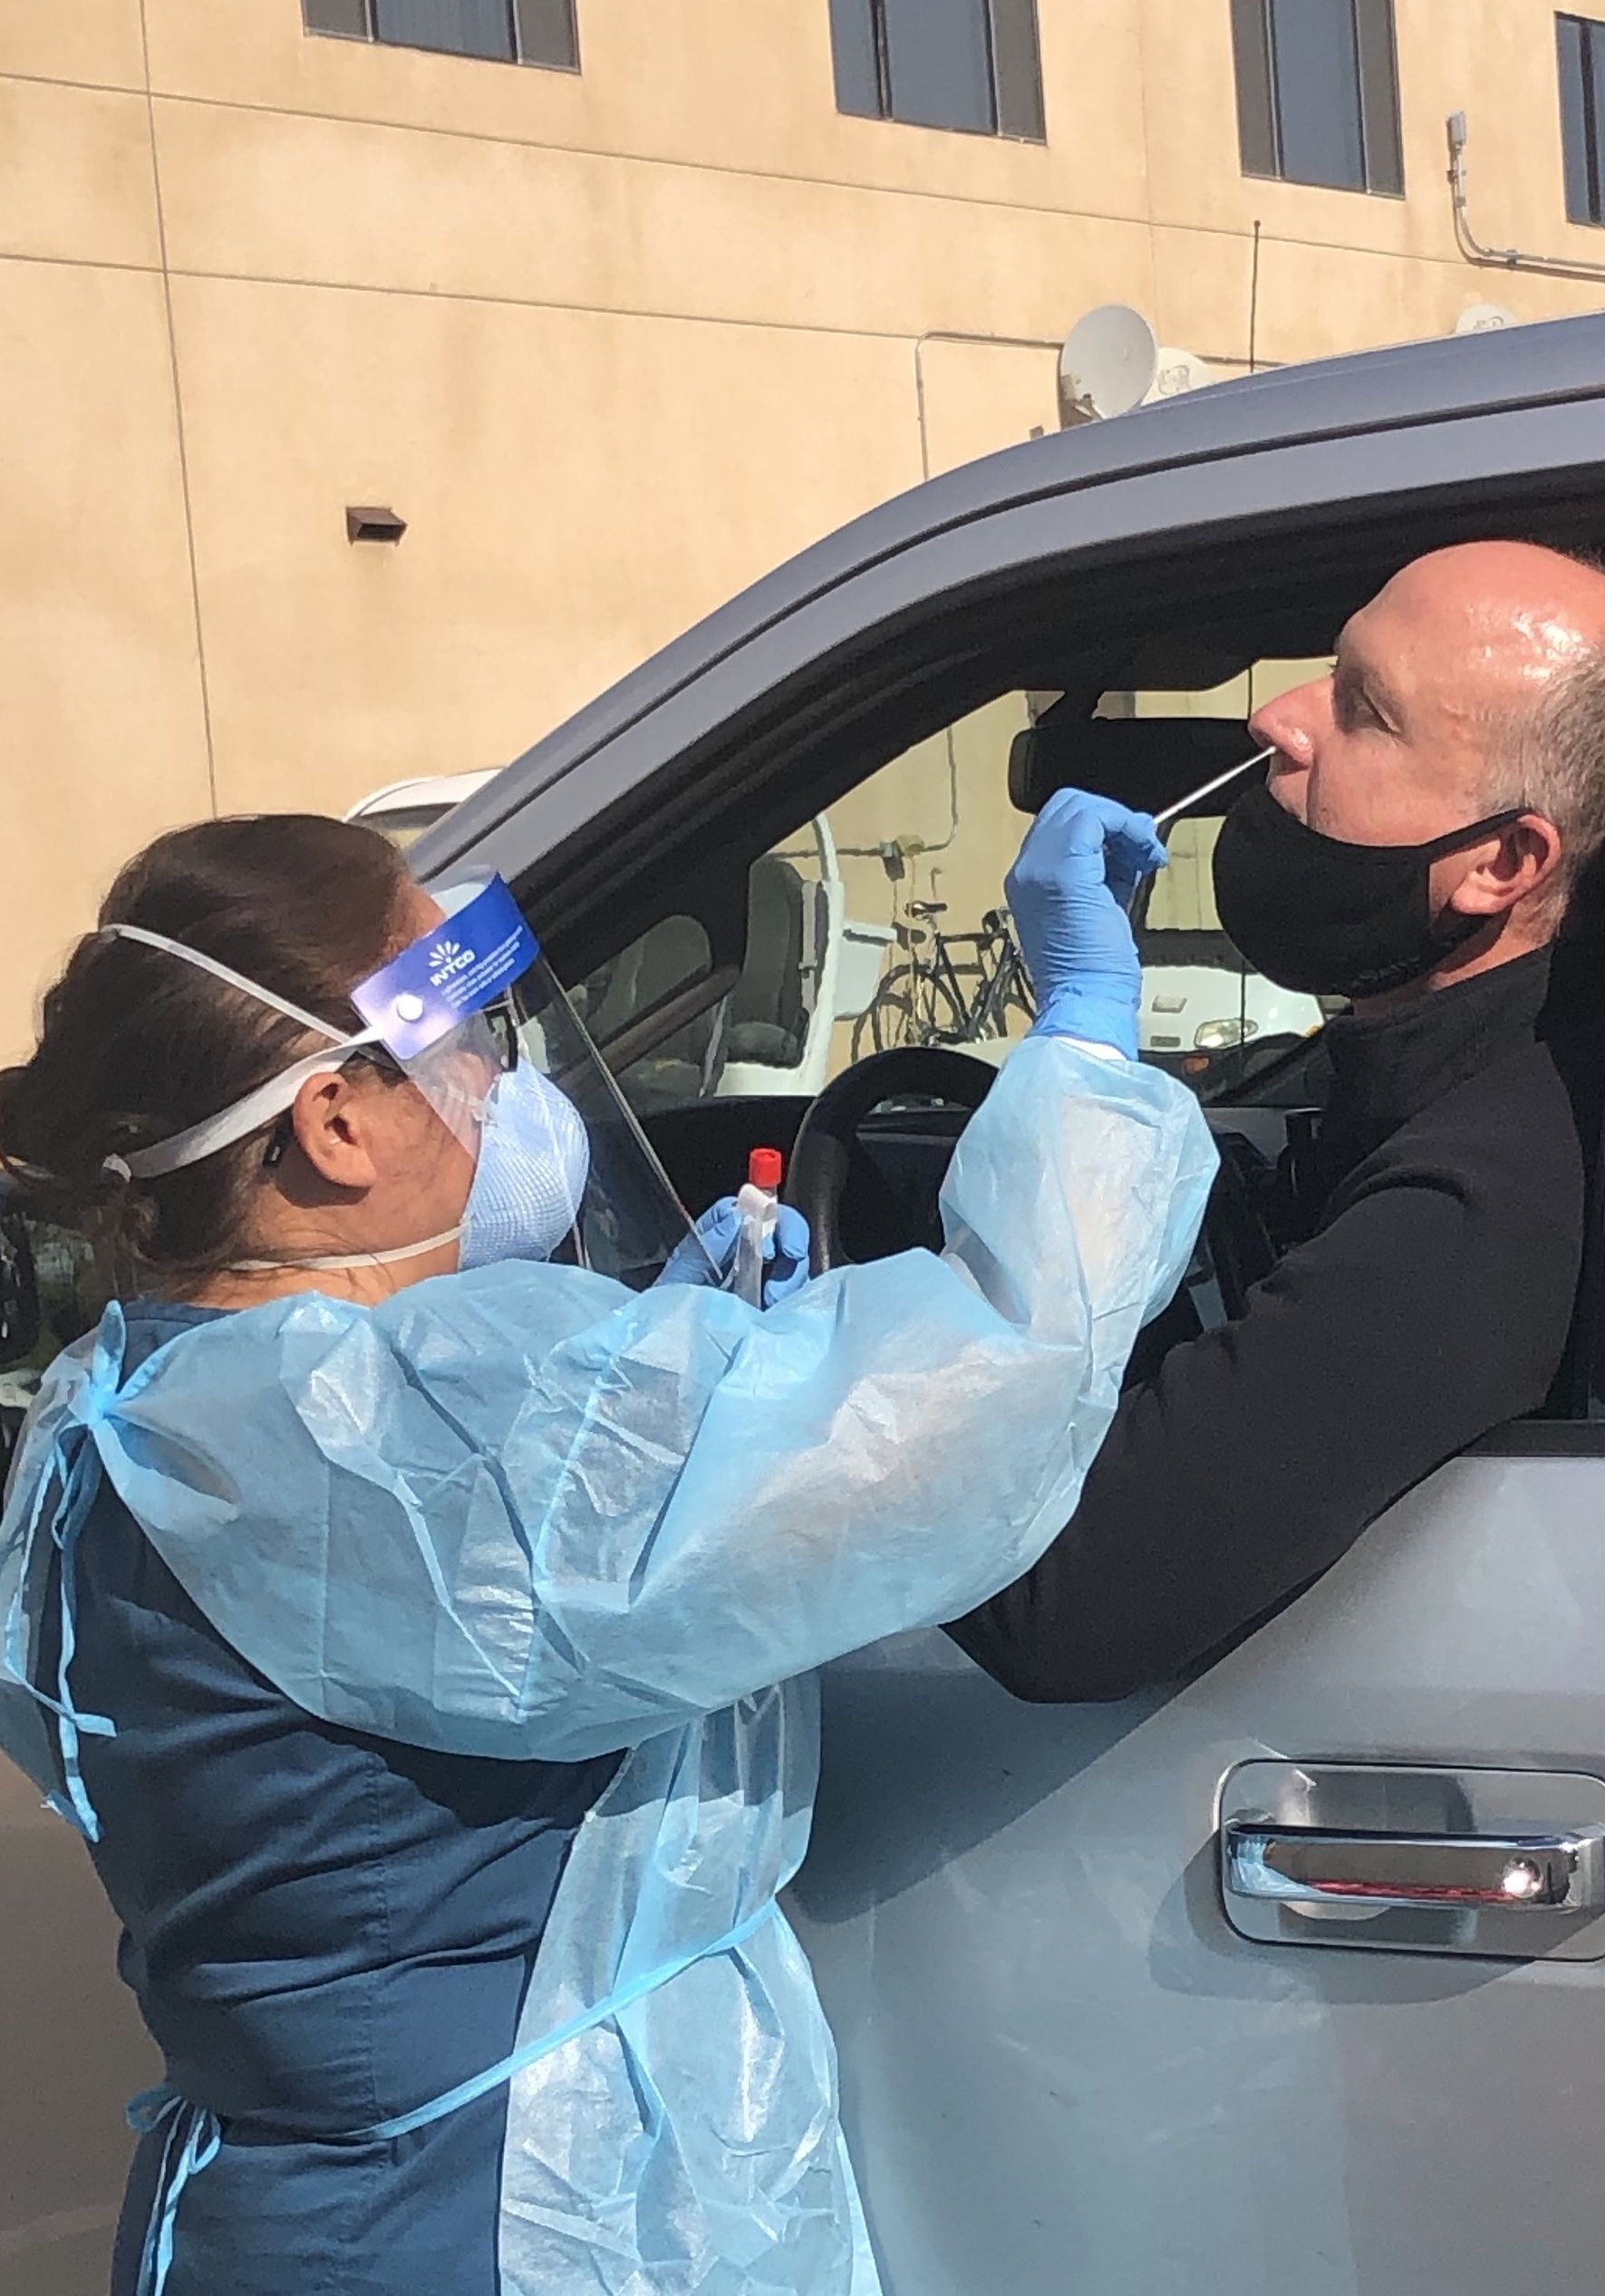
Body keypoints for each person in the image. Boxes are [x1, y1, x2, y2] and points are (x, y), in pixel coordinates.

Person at [0, 790, 1215, 2296]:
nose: (496, 1072)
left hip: (276, 2216)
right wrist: (1085, 1042)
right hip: (492, 2220)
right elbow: (971, 1398)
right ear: (333, 1119)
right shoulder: (405, 1436)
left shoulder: (118, 1403)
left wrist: (653, 1391)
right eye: (463, 1027)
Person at [951, 538, 1605, 1700]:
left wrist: (830, 1391)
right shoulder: (1408, 1081)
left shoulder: (1491, 1190)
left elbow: (1064, 1595)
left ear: (1502, 860)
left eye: (1362, 710)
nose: (1279, 721)